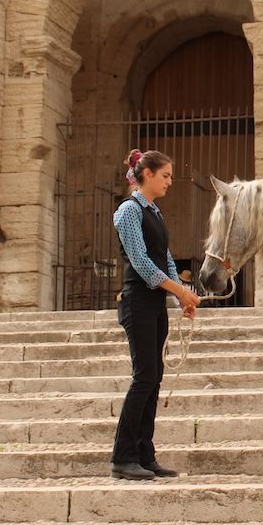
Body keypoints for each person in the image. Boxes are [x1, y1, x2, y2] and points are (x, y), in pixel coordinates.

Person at [110, 148, 200, 481]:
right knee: (144, 376)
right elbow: (142, 263)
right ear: (146, 174)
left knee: (154, 377)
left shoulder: (155, 213)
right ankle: (123, 456)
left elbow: (166, 260)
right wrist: (180, 291)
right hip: (137, 301)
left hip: (155, 304)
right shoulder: (128, 211)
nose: (169, 182)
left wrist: (181, 299)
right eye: (165, 176)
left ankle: (145, 455)